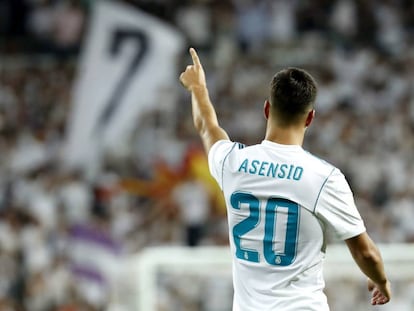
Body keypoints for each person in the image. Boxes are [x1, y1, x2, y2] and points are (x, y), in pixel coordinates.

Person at [179, 48, 391, 311]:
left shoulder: (232, 162)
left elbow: (207, 127)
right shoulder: (324, 178)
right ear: (310, 118)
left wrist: (197, 87)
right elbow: (365, 252)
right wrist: (380, 280)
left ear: (266, 109)